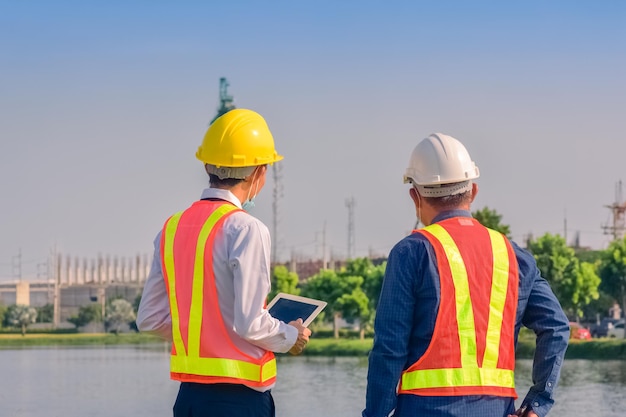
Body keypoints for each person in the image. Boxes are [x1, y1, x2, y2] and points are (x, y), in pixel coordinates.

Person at [363, 133, 570, 417]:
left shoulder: (411, 252)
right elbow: (556, 327)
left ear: (415, 196)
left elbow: (389, 349)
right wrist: (537, 403)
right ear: (472, 191)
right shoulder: (513, 255)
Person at [137, 108, 311, 417]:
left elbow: (148, 319)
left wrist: (204, 334)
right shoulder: (246, 229)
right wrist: (290, 335)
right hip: (238, 399)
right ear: (260, 172)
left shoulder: (172, 228)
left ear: (207, 164)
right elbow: (250, 323)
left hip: (189, 399)